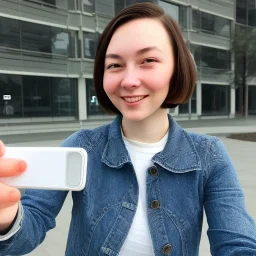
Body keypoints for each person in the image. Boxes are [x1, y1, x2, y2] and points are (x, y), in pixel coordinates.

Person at [0, 3, 256, 256]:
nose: (129, 81)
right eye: (115, 65)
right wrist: (6, 215)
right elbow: (29, 226)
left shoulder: (209, 155)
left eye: (148, 60)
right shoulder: (81, 147)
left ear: (176, 69)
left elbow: (237, 244)